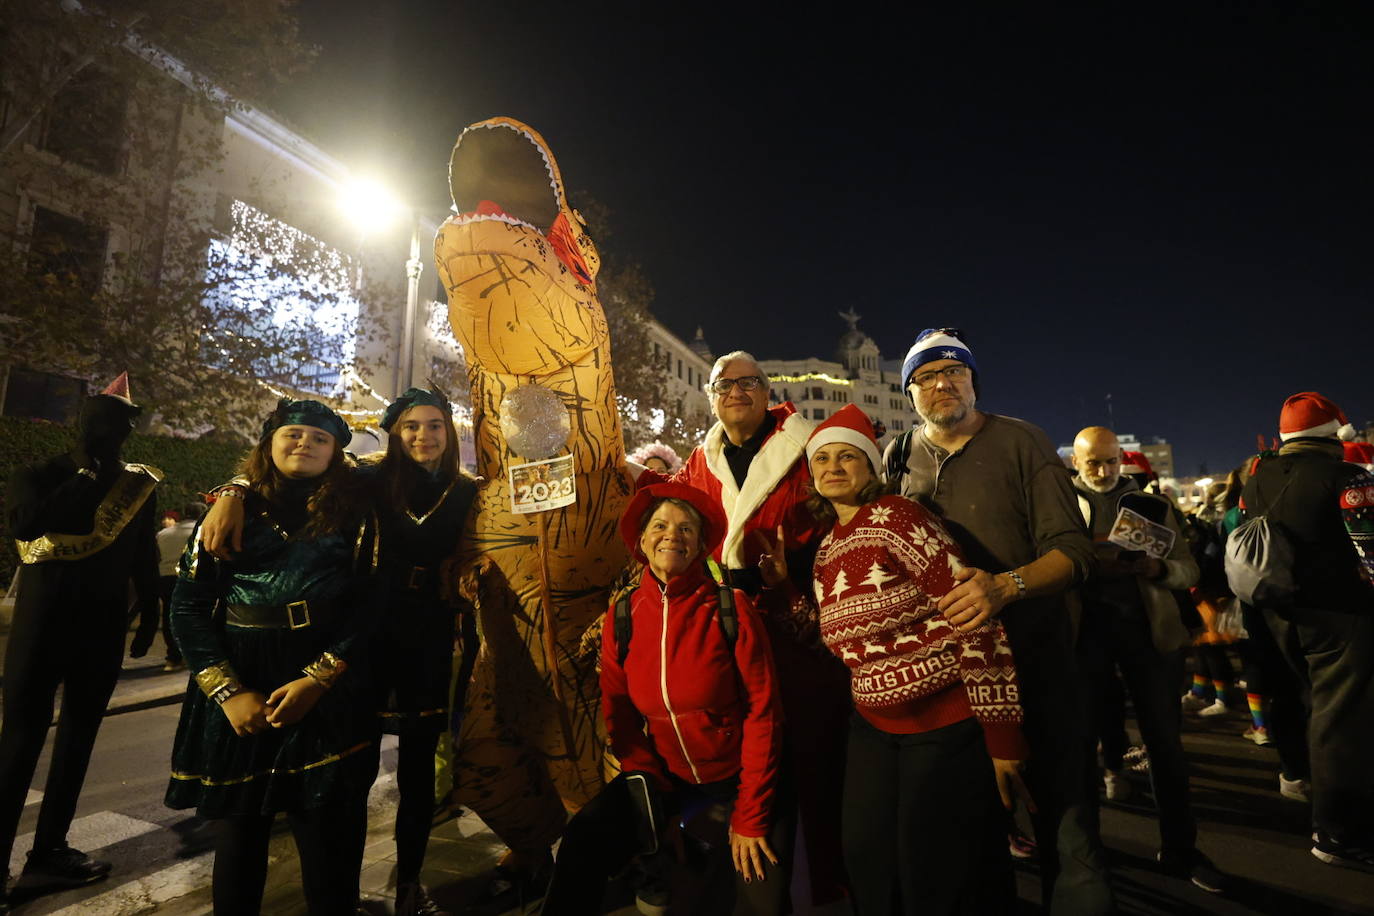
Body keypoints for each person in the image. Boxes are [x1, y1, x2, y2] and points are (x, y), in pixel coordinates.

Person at [198, 387, 480, 916]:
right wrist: (232, 489)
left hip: (428, 632)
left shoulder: (469, 491)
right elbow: (282, 470)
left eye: (435, 425)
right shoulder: (366, 478)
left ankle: (409, 884)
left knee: (421, 772)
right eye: (412, 426)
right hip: (361, 631)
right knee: (354, 769)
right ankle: (342, 892)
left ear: (450, 431)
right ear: (395, 433)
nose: (424, 435)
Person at [882, 328, 1114, 913]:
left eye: (953, 373)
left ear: (972, 381)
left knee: (1067, 819)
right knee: (973, 835)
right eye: (925, 377)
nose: (941, 385)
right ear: (908, 391)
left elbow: (1075, 552)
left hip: (1037, 660)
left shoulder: (1022, 441)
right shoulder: (898, 456)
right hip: (954, 679)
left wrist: (1004, 587)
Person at [793, 405, 1029, 914]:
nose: (833, 467)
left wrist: (1002, 732)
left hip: (942, 727)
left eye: (847, 457)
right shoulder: (827, 548)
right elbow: (841, 638)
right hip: (874, 728)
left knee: (934, 873)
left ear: (871, 466)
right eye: (822, 459)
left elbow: (976, 616)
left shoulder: (901, 518)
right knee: (867, 858)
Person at [165, 398, 380, 915]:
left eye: (320, 438)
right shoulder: (228, 514)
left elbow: (371, 606)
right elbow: (188, 608)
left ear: (336, 454)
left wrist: (319, 678)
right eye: (293, 433)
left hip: (323, 691)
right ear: (268, 444)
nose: (304, 442)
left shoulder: (357, 513)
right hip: (242, 682)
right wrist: (229, 693)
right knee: (239, 842)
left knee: (326, 840)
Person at [663, 350, 851, 906]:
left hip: (799, 623)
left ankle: (826, 882)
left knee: (808, 755)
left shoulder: (806, 448)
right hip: (726, 625)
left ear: (768, 392)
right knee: (744, 756)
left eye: (748, 382)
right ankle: (748, 877)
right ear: (711, 395)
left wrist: (791, 583)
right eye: (723, 384)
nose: (735, 392)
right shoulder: (701, 460)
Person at [542, 481, 783, 914]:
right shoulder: (623, 615)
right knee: (582, 839)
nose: (672, 534)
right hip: (668, 778)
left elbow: (764, 712)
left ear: (701, 544)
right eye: (660, 525)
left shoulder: (731, 608)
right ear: (641, 541)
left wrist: (750, 813)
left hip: (739, 776)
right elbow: (619, 713)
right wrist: (649, 796)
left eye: (686, 528)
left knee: (757, 895)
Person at [0, 374, 161, 912]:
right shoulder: (38, 474)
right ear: (79, 424)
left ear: (128, 432)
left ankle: (50, 848)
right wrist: (83, 481)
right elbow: (26, 529)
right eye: (96, 422)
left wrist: (150, 614)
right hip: (41, 626)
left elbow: (143, 554)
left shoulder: (139, 485)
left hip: (101, 628)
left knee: (78, 741)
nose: (105, 433)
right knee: (19, 742)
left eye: (116, 425)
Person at [1071, 426, 1229, 893]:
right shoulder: (1058, 504)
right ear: (1075, 463)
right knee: (1083, 742)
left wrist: (1158, 568)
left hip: (1149, 638)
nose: (1102, 471)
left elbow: (1187, 568)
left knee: (1165, 745)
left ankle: (1181, 848)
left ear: (1123, 460)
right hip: (1084, 640)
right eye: (1092, 462)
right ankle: (1088, 851)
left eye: (1110, 461)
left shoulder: (1153, 505)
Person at [1238, 391, 1374, 870]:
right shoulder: (1347, 476)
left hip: (1280, 611)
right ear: (1336, 432)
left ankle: (1302, 785)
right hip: (1339, 614)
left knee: (1308, 705)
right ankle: (1337, 833)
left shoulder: (1259, 473)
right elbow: (1370, 549)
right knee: (1342, 722)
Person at [157, 504, 205, 672]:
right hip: (192, 577)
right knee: (197, 615)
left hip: (165, 577)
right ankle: (195, 655)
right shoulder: (203, 529)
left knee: (169, 617)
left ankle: (173, 657)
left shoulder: (162, 534)